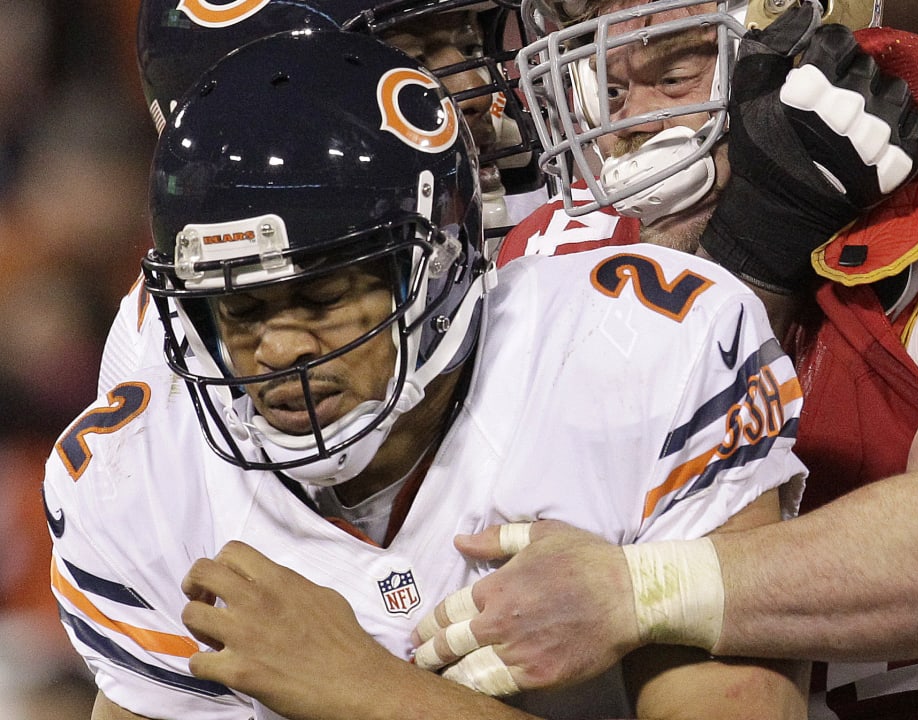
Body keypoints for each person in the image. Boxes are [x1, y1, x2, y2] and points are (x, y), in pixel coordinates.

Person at [400, 0, 918, 717]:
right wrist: (747, 278)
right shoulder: (578, 273)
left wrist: (636, 590)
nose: (630, 130)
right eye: (598, 85)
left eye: (671, 74)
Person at [45, 29, 809, 719]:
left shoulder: (635, 352)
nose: (276, 350)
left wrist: (367, 689)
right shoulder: (136, 477)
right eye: (240, 311)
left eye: (319, 295)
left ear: (438, 267)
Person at [98, 0, 553, 396]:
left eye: (472, 46)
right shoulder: (165, 367)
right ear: (264, 103)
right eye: (412, 60)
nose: (475, 89)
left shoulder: (564, 224)